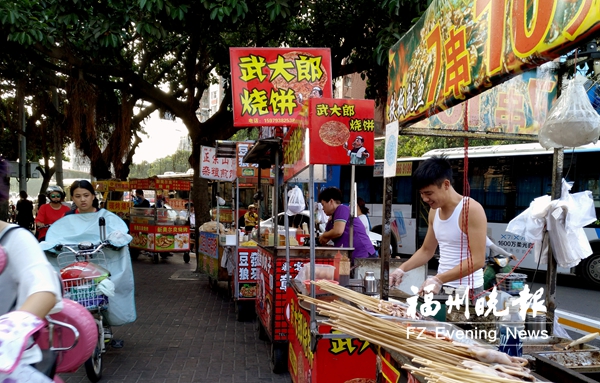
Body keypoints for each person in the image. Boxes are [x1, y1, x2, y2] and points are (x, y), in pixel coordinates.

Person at [0, 158, 62, 380]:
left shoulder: (15, 239)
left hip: (13, 363)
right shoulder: (43, 208)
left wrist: (10, 331)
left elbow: (43, 289)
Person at [389, 156, 487, 295]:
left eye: (429, 193)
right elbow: (427, 250)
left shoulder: (470, 209)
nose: (424, 199)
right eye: (422, 194)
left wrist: (439, 279)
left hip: (468, 290)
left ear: (446, 185)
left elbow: (477, 260)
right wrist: (401, 269)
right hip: (441, 286)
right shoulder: (434, 212)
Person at [318, 187, 376, 264]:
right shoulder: (333, 219)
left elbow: (338, 231)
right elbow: (324, 240)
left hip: (363, 256)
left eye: (323, 204)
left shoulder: (342, 209)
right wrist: (324, 236)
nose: (322, 208)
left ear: (331, 201)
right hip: (351, 258)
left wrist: (324, 235)